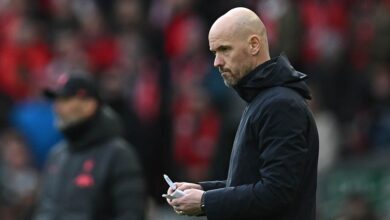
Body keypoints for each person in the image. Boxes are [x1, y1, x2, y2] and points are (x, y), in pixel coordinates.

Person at [166, 7, 319, 220]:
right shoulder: (263, 100)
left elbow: (276, 193)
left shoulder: (280, 105)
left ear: (254, 45)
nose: (216, 62)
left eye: (225, 49)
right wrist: (202, 190)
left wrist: (204, 202)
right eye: (214, 52)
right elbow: (249, 183)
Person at [34, 73, 146, 220]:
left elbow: (131, 214)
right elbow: (45, 211)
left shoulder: (118, 154)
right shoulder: (57, 155)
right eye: (56, 101)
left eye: (65, 100)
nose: (56, 108)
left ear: (89, 105)